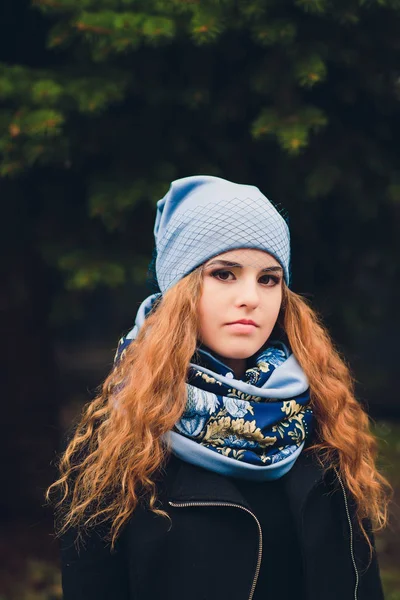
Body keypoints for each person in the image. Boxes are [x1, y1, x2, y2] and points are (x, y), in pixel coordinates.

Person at [48, 175, 392, 600]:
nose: (251, 297)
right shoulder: (118, 437)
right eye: (224, 273)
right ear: (180, 290)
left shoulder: (324, 416)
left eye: (268, 279)